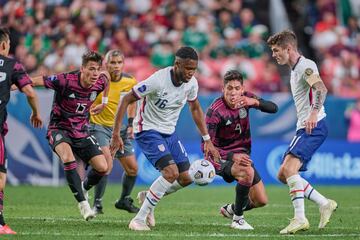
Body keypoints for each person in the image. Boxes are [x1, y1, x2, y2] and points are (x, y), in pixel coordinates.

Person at [110, 46, 220, 231]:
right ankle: (138, 219)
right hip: (147, 129)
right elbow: (127, 99)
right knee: (170, 173)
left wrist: (207, 138)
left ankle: (149, 197)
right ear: (177, 64)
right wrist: (115, 133)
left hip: (169, 132)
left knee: (186, 177)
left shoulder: (192, 83)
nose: (190, 73)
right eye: (187, 68)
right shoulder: (157, 80)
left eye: (194, 69)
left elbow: (195, 108)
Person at [267, 30, 337, 234]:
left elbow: (321, 88)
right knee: (283, 174)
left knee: (289, 170)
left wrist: (314, 114)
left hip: (313, 126)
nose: (274, 54)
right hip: (304, 126)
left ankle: (300, 219)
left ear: (288, 49)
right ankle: (324, 203)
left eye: (276, 50)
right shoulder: (296, 68)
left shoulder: (306, 66)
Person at [31, 50, 109, 221]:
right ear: (82, 69)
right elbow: (37, 80)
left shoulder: (101, 81)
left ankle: (84, 187)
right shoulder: (65, 80)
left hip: (81, 131)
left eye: (97, 69)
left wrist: (104, 103)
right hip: (59, 128)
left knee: (103, 167)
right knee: (68, 157)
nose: (95, 73)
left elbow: (107, 80)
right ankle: (83, 205)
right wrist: (13, 84)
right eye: (91, 69)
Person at [204, 70, 277, 230]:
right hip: (219, 158)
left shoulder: (246, 99)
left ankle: (230, 209)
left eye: (237, 88)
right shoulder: (214, 112)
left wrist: (255, 102)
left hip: (242, 156)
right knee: (247, 172)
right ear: (223, 89)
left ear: (242, 89)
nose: (233, 93)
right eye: (229, 88)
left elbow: (274, 108)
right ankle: (238, 220)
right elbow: (207, 148)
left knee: (260, 201)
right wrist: (232, 156)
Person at [0, 27, 43, 235]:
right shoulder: (12, 65)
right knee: (0, 177)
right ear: (4, 45)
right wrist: (35, 113)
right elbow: (31, 93)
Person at [89, 49, 139, 214]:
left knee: (132, 169)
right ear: (106, 64)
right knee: (106, 164)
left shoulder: (130, 81)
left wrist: (131, 123)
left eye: (119, 63)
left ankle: (123, 200)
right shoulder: (97, 80)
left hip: (120, 129)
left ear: (123, 64)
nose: (116, 66)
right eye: (112, 62)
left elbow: (132, 103)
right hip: (99, 126)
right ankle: (97, 203)